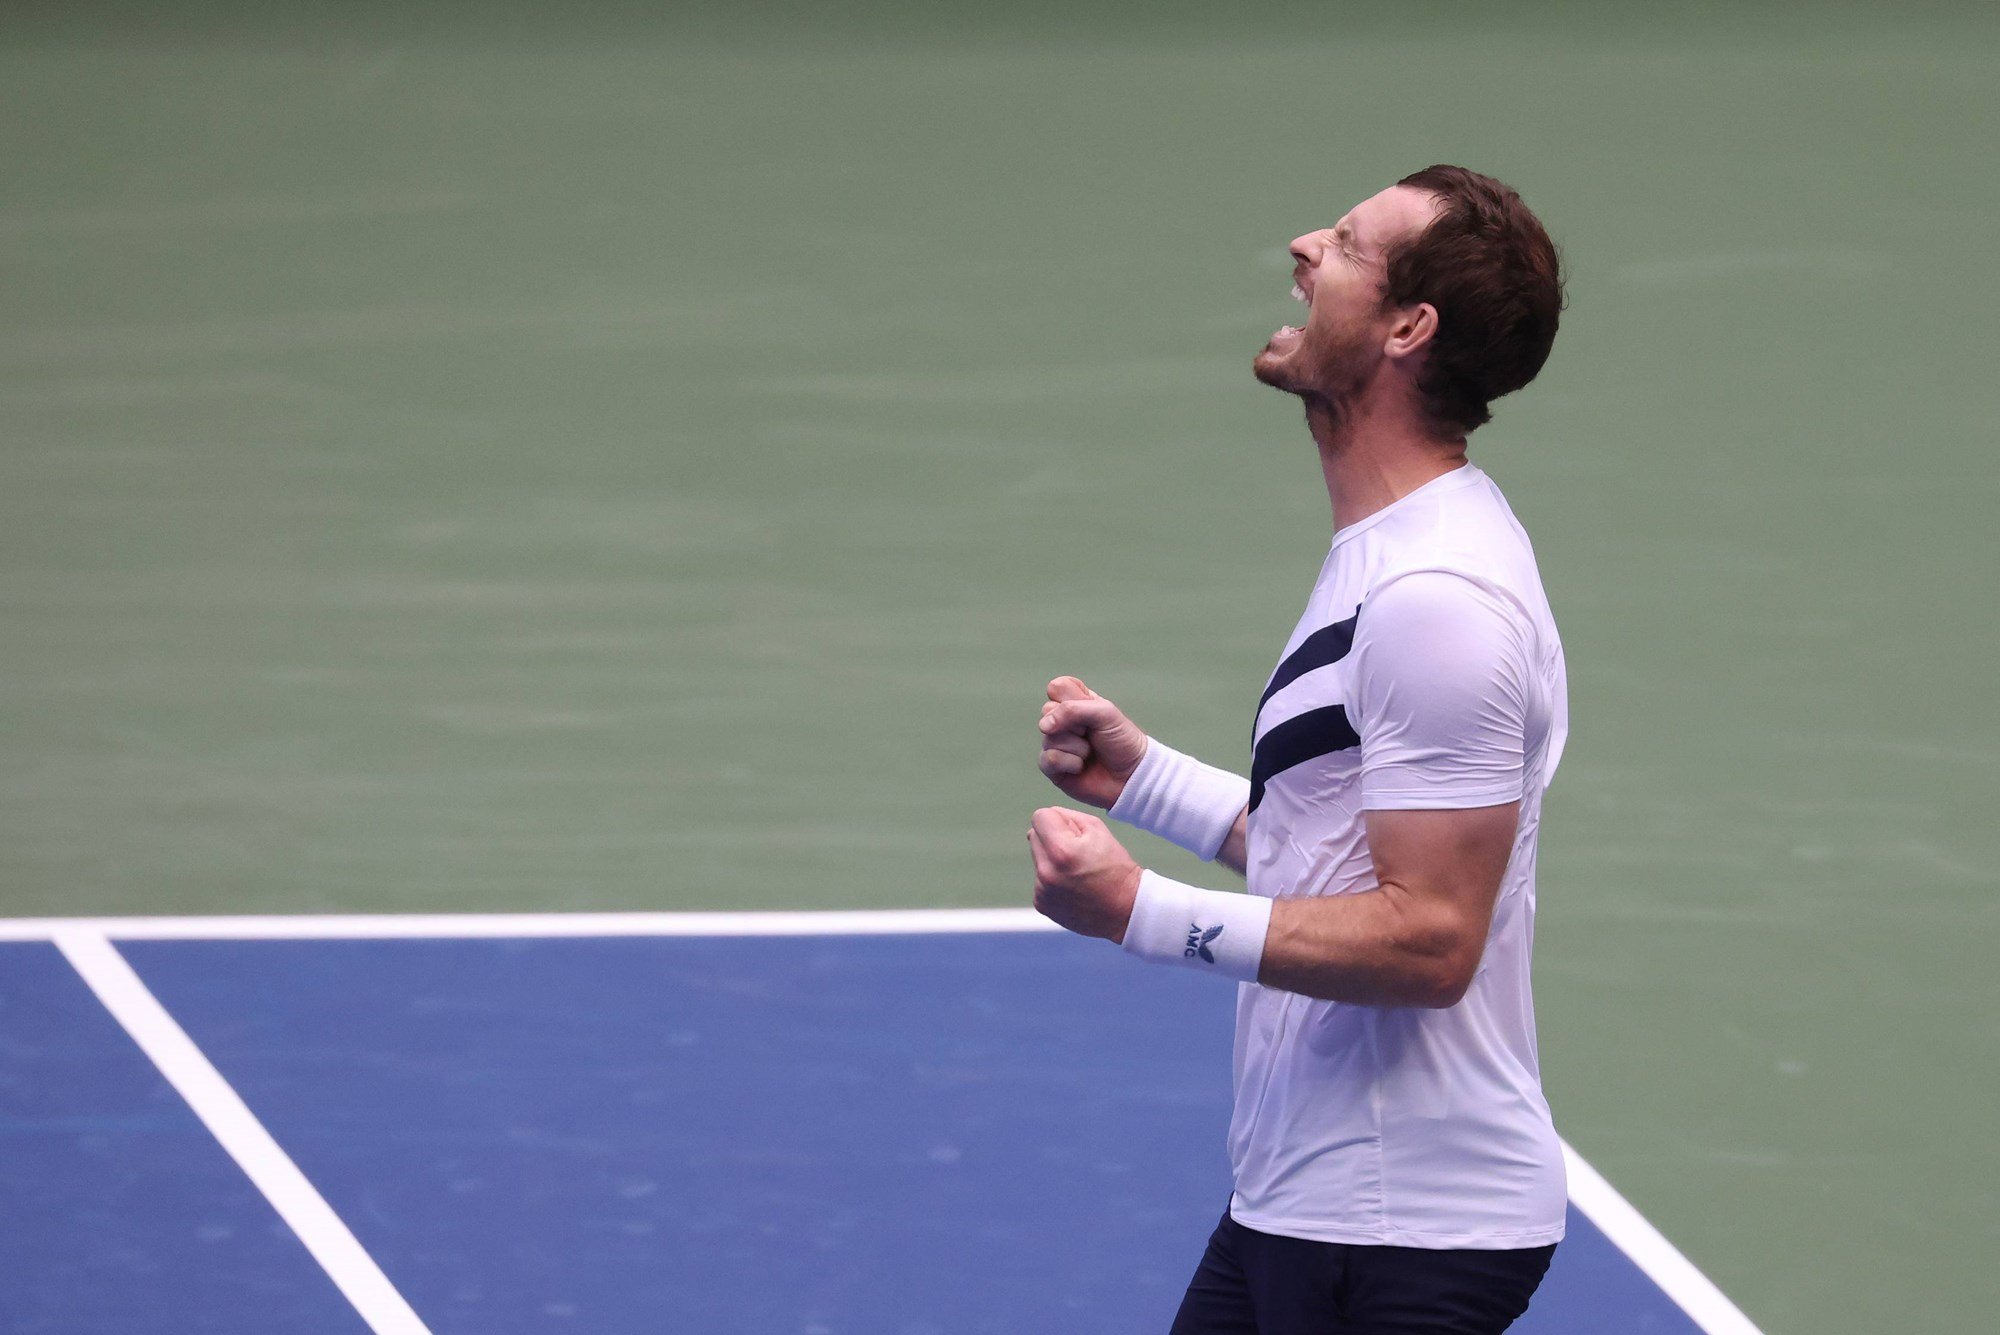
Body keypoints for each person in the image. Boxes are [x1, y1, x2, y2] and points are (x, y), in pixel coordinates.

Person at [1026, 165, 1570, 1334]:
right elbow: (1337, 853)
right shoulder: (1388, 552)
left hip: (1404, 1233)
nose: (1301, 245)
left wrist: (1139, 912)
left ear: (1405, 328)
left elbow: (1428, 940)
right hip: (1305, 1201)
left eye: (1345, 244)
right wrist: (1149, 781)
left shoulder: (1437, 599)